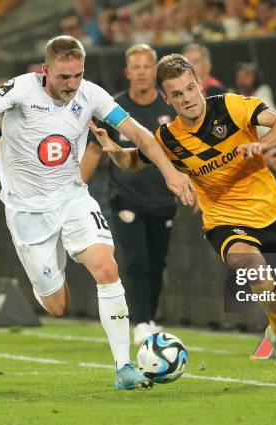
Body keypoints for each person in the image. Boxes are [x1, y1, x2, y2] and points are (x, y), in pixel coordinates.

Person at [0, 35, 193, 390]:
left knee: (107, 267)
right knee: (57, 307)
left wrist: (170, 172)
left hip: (71, 197)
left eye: (77, 75)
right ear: (45, 70)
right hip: (26, 212)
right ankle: (48, 278)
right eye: (63, 77)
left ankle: (124, 366)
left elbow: (141, 135)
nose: (71, 84)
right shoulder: (21, 89)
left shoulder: (92, 95)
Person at [88, 54, 276, 384]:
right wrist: (115, 151)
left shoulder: (230, 106)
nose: (187, 99)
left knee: (272, 292)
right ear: (166, 99)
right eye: (178, 94)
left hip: (271, 212)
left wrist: (261, 143)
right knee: (252, 267)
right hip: (222, 219)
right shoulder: (168, 139)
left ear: (199, 84)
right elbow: (134, 162)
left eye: (190, 89)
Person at [80, 44, 176, 344]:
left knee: (157, 263)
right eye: (136, 67)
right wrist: (74, 191)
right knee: (135, 261)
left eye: (147, 66)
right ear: (127, 72)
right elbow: (95, 150)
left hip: (162, 198)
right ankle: (142, 321)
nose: (142, 72)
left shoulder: (170, 108)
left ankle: (150, 317)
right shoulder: (113, 108)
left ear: (155, 71)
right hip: (126, 198)